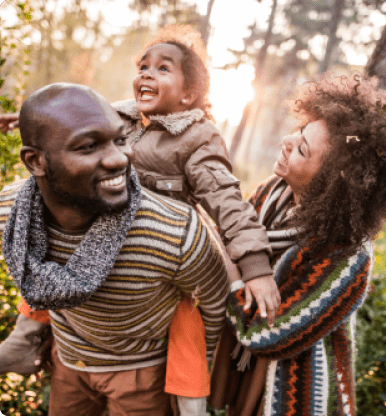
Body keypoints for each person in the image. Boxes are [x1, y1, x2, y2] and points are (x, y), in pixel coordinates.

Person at [0, 25, 280, 415]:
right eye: (143, 66)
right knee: (43, 253)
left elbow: (225, 199)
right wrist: (25, 120)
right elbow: (67, 126)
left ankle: (191, 399)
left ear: (189, 95)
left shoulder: (197, 137)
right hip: (104, 223)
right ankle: (26, 335)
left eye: (163, 69)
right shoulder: (124, 117)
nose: (147, 74)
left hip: (162, 244)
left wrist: (254, 265)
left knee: (187, 322)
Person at [0, 82, 228, 416]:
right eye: (89, 146)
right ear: (36, 161)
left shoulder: (174, 231)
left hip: (141, 371)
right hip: (68, 359)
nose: (119, 158)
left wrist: (187, 377)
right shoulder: (10, 212)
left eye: (120, 139)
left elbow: (212, 303)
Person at [208, 74, 386, 416]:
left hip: (290, 383)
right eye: (299, 130)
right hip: (243, 371)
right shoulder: (272, 193)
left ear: (331, 184)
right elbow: (227, 231)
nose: (287, 141)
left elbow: (269, 336)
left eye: (302, 149)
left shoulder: (348, 259)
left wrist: (234, 267)